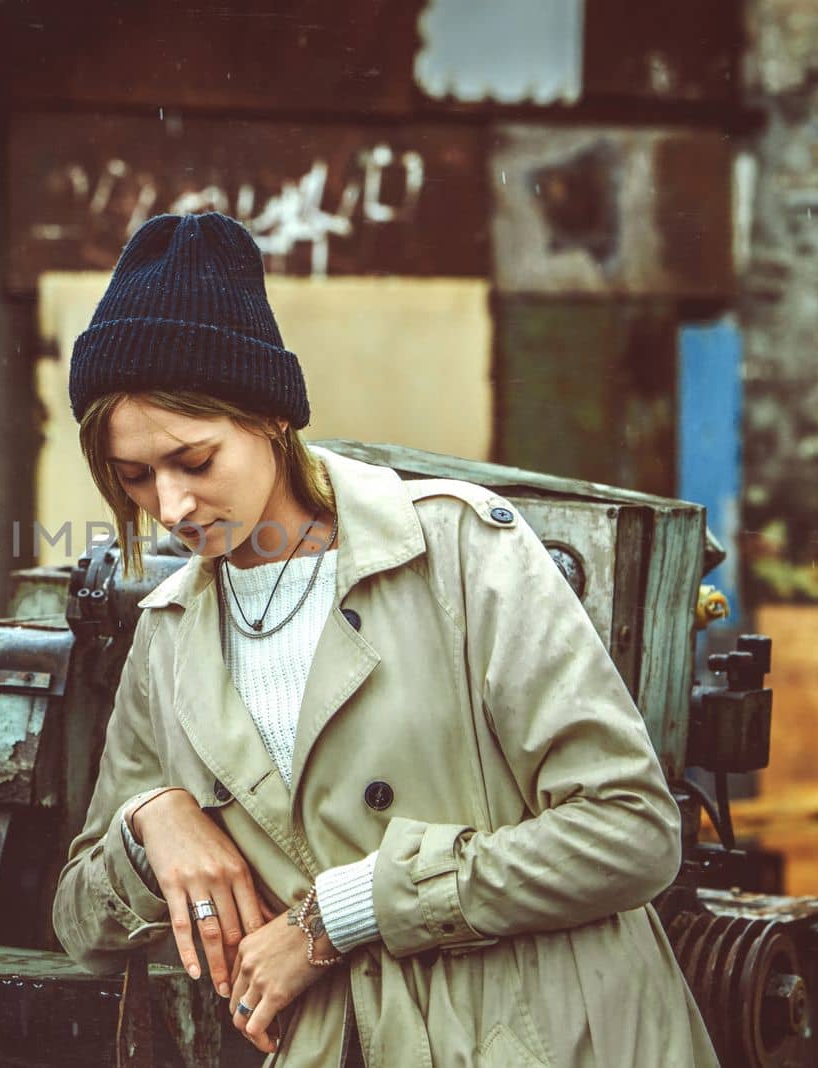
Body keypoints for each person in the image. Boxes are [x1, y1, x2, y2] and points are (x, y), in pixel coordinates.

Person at [50, 212, 718, 1067]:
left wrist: (341, 914)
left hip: (548, 1037)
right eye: (135, 477)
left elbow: (631, 832)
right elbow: (80, 921)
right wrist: (152, 821)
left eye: (195, 459)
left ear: (269, 418)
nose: (171, 506)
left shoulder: (463, 552)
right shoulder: (171, 633)